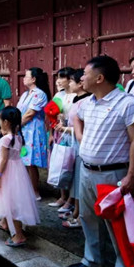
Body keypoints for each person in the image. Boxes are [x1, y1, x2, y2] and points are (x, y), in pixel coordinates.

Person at [68, 55, 134, 267]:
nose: (81, 78)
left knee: (119, 227)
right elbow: (77, 118)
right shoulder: (87, 103)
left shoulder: (127, 104)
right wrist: (81, 138)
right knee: (88, 218)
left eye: (85, 74)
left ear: (100, 78)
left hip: (113, 175)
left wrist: (132, 175)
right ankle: (92, 261)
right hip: (87, 170)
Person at [0, 106, 40, 247]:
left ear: (6, 122)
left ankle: (18, 235)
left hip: (7, 172)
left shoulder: (6, 140)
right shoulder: (18, 137)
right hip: (18, 170)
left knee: (11, 202)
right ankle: (5, 223)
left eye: (0, 120)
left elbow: (4, 160)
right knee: (12, 199)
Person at [56, 69, 91, 228]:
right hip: (73, 142)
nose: (69, 84)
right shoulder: (76, 99)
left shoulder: (87, 101)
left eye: (71, 81)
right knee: (75, 178)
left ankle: (79, 214)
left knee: (80, 179)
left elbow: (84, 129)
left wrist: (65, 129)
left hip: (80, 144)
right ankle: (76, 211)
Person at [17, 67, 50, 201]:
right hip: (23, 129)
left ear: (34, 79)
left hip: (33, 130)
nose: (24, 78)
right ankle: (25, 189)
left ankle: (35, 191)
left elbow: (30, 114)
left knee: (31, 162)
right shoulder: (26, 94)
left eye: (26, 76)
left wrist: (16, 126)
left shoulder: (39, 94)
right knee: (23, 160)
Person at [49, 67, 76, 208]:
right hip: (59, 133)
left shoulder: (77, 96)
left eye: (61, 78)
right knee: (61, 163)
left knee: (72, 165)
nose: (58, 81)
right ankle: (62, 196)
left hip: (72, 133)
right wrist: (51, 133)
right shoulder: (58, 95)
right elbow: (51, 115)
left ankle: (71, 199)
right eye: (58, 77)